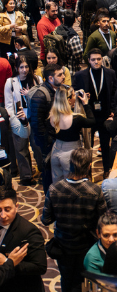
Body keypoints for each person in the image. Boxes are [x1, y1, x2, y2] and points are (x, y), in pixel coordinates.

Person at [41, 148, 107, 292]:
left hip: (62, 243)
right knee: (83, 278)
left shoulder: (54, 188)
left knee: (67, 278)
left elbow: (45, 219)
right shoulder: (95, 190)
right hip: (87, 245)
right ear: (89, 166)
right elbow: (103, 220)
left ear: (70, 165)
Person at [73, 49, 117, 176]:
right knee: (88, 146)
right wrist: (81, 95)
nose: (96, 62)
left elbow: (114, 94)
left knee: (105, 144)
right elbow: (73, 93)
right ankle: (87, 171)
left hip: (105, 114)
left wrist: (113, 110)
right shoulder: (80, 75)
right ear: (88, 60)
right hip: (88, 115)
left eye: (98, 59)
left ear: (102, 59)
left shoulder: (110, 73)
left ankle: (106, 170)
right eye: (93, 59)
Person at [4, 56, 43, 185]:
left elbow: (41, 100)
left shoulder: (37, 80)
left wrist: (30, 94)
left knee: (38, 147)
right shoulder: (10, 82)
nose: (24, 70)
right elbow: (8, 105)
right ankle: (26, 176)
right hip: (18, 119)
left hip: (34, 117)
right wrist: (14, 120)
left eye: (26, 67)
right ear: (16, 68)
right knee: (21, 149)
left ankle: (43, 171)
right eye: (21, 67)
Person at [28, 63, 66, 193]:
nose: (63, 77)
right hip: (47, 142)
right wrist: (47, 142)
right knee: (48, 173)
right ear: (50, 78)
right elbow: (36, 124)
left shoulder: (57, 89)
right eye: (59, 75)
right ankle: (49, 198)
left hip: (56, 139)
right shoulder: (40, 95)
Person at [48, 86, 95, 184]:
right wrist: (86, 104)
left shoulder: (52, 117)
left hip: (56, 151)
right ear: (68, 100)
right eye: (73, 95)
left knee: (57, 185)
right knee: (71, 185)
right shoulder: (77, 119)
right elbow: (92, 122)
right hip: (71, 154)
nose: (75, 96)